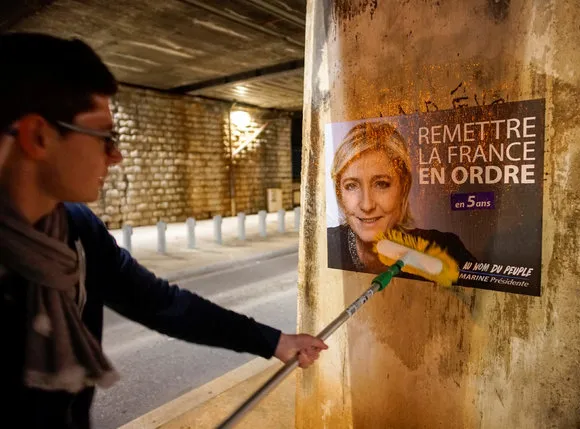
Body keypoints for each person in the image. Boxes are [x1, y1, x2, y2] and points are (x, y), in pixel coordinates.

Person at [0, 32, 327, 429]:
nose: (116, 156)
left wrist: (275, 341)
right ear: (38, 137)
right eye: (105, 137)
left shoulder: (78, 229)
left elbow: (161, 303)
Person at [327, 121, 475, 278]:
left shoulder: (444, 249)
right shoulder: (325, 246)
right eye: (351, 186)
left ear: (404, 187)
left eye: (381, 184)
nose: (367, 205)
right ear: (339, 193)